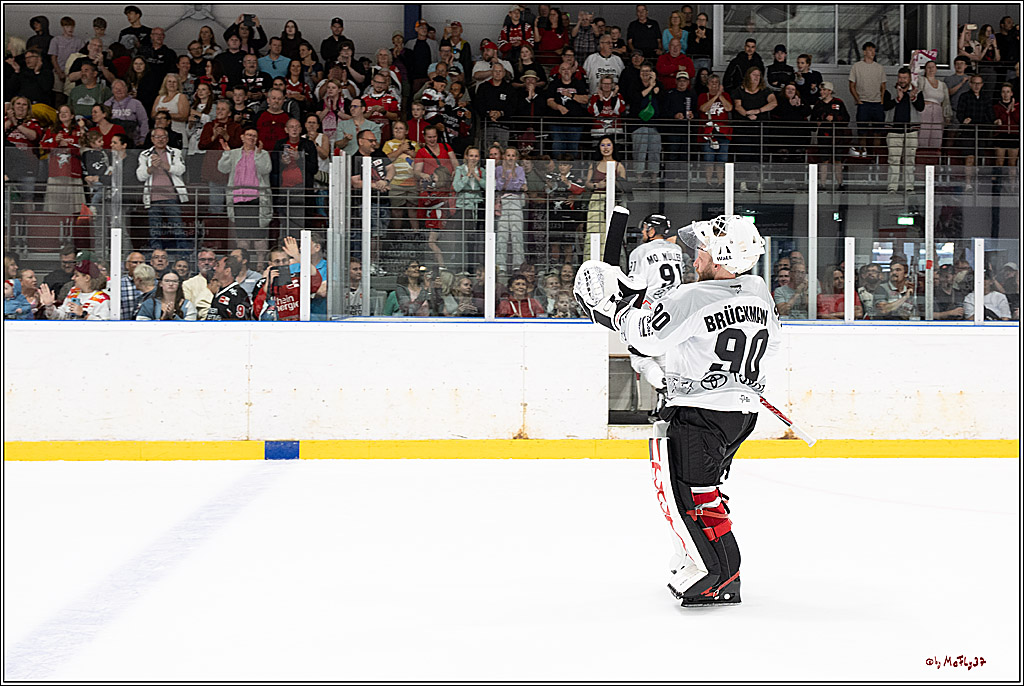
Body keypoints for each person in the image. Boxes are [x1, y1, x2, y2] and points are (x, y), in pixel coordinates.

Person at [574, 214, 776, 607]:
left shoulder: (695, 297)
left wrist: (611, 306)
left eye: (701, 248)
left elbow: (645, 337)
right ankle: (700, 559)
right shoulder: (757, 290)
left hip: (700, 413)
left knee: (692, 497)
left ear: (720, 254)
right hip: (740, 413)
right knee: (706, 492)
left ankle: (719, 574)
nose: (694, 255)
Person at [218, 126, 273, 252]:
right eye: (249, 135)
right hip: (238, 198)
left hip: (257, 198)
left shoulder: (263, 153)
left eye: (254, 136)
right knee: (242, 234)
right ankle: (244, 262)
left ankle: (260, 265)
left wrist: (258, 155)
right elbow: (223, 168)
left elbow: (265, 170)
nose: (251, 138)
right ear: (242, 137)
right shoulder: (234, 153)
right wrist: (226, 153)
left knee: (259, 234)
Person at [350, 128, 395, 267]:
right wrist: (376, 185)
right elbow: (356, 182)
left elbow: (391, 168)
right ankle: (368, 264)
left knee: (380, 234)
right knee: (371, 234)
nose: (374, 143)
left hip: (384, 200)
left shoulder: (379, 153)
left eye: (375, 140)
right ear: (361, 141)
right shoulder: (355, 158)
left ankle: (374, 263)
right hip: (368, 202)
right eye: (371, 141)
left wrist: (386, 181)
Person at [251, 240, 324, 321]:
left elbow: (316, 278)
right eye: (277, 261)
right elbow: (257, 312)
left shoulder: (297, 279)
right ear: (270, 263)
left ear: (289, 262)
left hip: (298, 325)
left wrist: (297, 256)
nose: (281, 264)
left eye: (284, 260)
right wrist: (268, 284)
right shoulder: (263, 284)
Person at [882, 67, 924, 193]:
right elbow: (885, 106)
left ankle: (909, 187)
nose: (902, 80)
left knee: (910, 160)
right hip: (894, 130)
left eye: (905, 78)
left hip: (911, 130)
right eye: (900, 77)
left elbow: (921, 108)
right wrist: (897, 99)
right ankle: (892, 187)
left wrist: (913, 98)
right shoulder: (890, 89)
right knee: (894, 160)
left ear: (910, 78)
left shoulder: (917, 91)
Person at [733, 67, 776, 191]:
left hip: (760, 130)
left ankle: (759, 183)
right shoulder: (739, 90)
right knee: (744, 156)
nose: (756, 77)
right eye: (754, 75)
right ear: (748, 76)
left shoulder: (765, 90)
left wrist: (759, 110)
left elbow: (773, 103)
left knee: (759, 157)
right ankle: (743, 183)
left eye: (758, 75)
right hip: (744, 130)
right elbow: (737, 106)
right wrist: (747, 114)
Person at [39, 104, 86, 217]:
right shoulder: (52, 130)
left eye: (66, 112)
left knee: (75, 208)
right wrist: (55, 142)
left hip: (73, 173)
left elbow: (84, 148)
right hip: (56, 172)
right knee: (55, 208)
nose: (63, 114)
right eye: (60, 112)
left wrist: (68, 145)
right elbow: (43, 147)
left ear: (72, 115)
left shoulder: (78, 130)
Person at [584, 136, 627, 257]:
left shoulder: (619, 166)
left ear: (613, 147)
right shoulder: (594, 164)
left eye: (608, 145)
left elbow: (625, 187)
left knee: (609, 232)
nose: (606, 148)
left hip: (613, 201)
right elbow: (587, 183)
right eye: (603, 145)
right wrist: (597, 185)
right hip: (596, 200)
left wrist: (613, 182)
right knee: (593, 231)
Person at [848, 41, 887, 158]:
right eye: (870, 50)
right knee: (862, 132)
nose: (872, 53)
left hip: (877, 103)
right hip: (864, 103)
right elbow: (851, 85)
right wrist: (858, 99)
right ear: (864, 52)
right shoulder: (857, 66)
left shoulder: (879, 67)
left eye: (874, 50)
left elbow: (883, 85)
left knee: (878, 132)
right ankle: (863, 155)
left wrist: (881, 99)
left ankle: (876, 156)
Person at [956, 74, 994, 192]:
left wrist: (994, 120)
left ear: (982, 85)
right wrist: (964, 120)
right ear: (970, 84)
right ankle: (968, 183)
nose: (977, 86)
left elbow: (990, 113)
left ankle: (976, 182)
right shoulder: (964, 96)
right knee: (969, 158)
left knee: (978, 158)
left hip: (981, 132)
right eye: (974, 83)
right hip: (968, 132)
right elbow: (959, 113)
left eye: (979, 83)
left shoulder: (986, 98)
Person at [39, 259, 112, 320]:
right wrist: (49, 306)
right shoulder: (73, 292)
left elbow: (105, 325)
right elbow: (60, 317)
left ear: (87, 278)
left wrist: (84, 314)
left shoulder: (102, 298)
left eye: (76, 275)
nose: (72, 278)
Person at [809, 81, 849, 188]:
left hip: (837, 136)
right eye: (821, 90)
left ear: (830, 91)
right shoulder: (818, 104)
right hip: (823, 136)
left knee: (837, 160)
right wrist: (817, 122)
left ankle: (840, 184)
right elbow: (812, 120)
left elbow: (846, 119)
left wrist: (834, 119)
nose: (822, 92)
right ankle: (822, 184)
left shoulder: (838, 102)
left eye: (824, 90)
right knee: (824, 160)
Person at [918, 61, 950, 151]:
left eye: (933, 67)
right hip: (925, 111)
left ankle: (934, 157)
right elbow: (912, 75)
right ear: (925, 69)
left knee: (937, 135)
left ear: (936, 69)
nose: (931, 69)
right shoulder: (922, 80)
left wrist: (947, 115)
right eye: (928, 67)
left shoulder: (942, 84)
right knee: (923, 134)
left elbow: (946, 101)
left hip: (938, 112)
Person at [992, 83, 1019, 183]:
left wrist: (1013, 110)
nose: (1006, 94)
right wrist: (1007, 111)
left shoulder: (1018, 106)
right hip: (1001, 135)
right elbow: (999, 121)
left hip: (1014, 135)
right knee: (999, 161)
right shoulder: (996, 107)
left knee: (1012, 163)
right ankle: (998, 183)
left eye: (1008, 92)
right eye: (1003, 92)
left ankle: (1012, 185)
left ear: (1011, 93)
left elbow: (1018, 120)